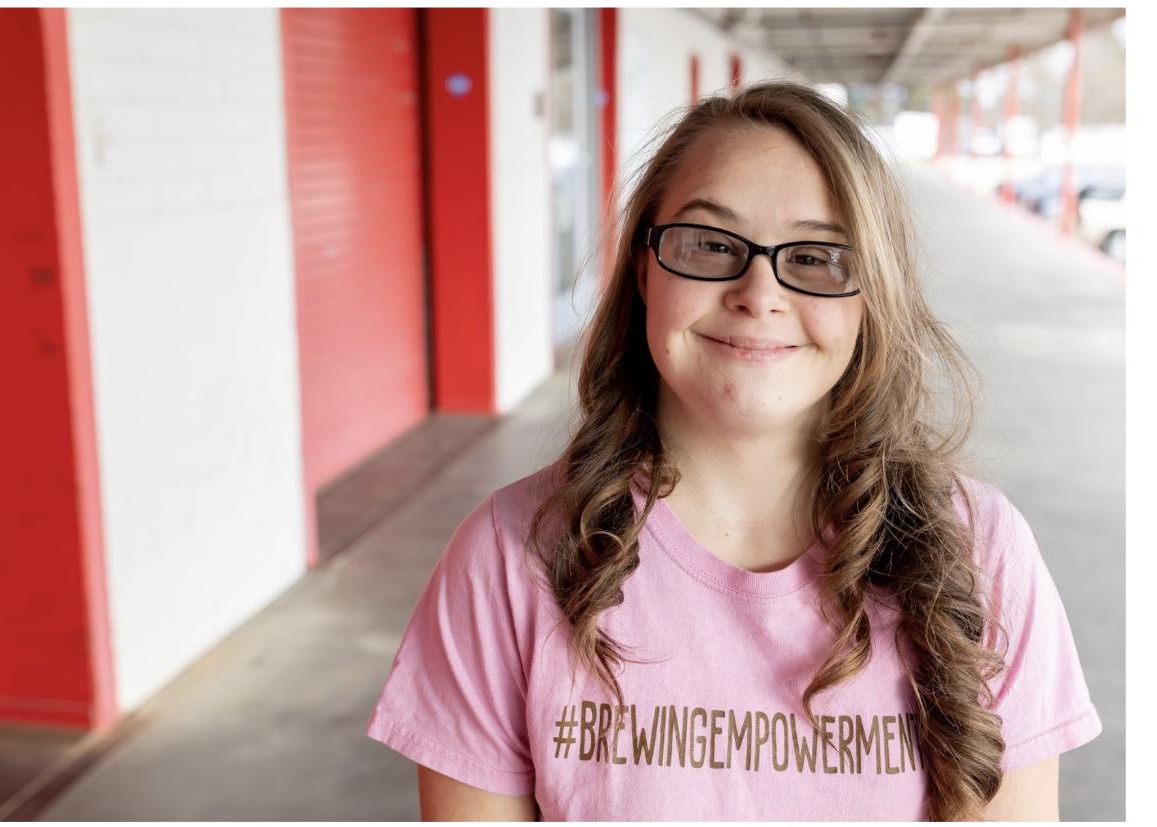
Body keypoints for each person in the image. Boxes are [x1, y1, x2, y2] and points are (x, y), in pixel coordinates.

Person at [364, 80, 1102, 821]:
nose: (759, 291)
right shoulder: (507, 558)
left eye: (816, 256)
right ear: (646, 267)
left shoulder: (983, 552)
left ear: (871, 294)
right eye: (711, 244)